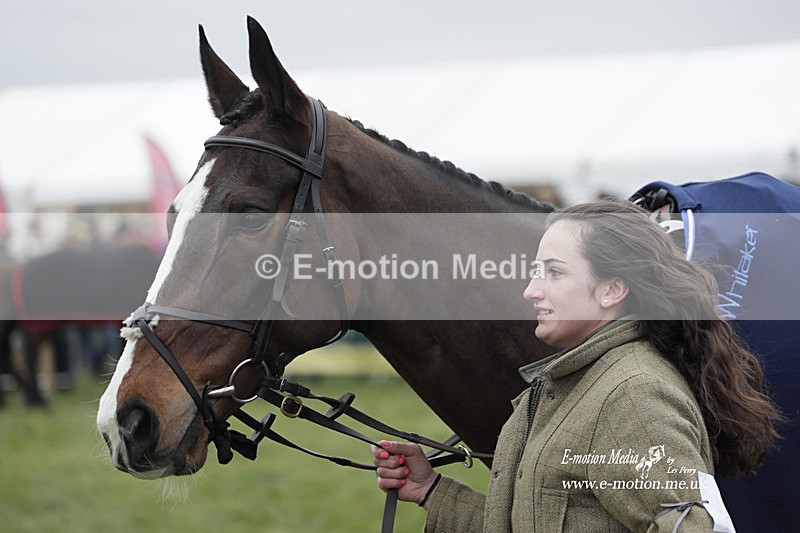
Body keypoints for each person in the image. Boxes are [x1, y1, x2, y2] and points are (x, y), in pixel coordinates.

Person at [372, 201, 783, 532]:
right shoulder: (571, 383)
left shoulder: (634, 396)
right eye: (537, 271)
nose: (531, 290)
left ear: (611, 290)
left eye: (554, 272)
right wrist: (432, 491)